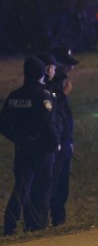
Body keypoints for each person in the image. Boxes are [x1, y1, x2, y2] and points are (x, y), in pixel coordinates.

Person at [0, 57, 60, 236]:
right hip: (41, 151)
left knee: (21, 187)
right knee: (41, 189)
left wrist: (18, 139)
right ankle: (38, 225)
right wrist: (54, 144)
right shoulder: (43, 96)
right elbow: (48, 124)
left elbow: (3, 124)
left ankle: (10, 222)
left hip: (22, 149)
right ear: (41, 73)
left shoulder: (14, 96)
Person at [48, 48, 77, 226]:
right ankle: (52, 218)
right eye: (67, 64)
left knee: (62, 184)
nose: (70, 69)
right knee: (55, 183)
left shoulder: (59, 83)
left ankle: (58, 218)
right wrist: (61, 95)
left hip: (63, 142)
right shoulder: (54, 86)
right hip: (56, 143)